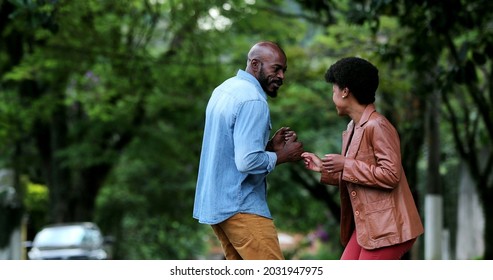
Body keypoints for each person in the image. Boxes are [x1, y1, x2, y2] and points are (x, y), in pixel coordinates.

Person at [301, 57, 424, 260]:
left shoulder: (378, 125)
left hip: (389, 228)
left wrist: (345, 164)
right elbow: (360, 176)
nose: (333, 97)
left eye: (333, 91)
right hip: (369, 226)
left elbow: (390, 175)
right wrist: (324, 168)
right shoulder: (352, 128)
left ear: (345, 91)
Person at [193, 41, 304, 260]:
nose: (281, 76)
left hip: (218, 207)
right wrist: (282, 156)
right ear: (255, 64)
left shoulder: (224, 89)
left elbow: (233, 152)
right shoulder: (253, 100)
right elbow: (246, 162)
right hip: (242, 207)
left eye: (284, 70)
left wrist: (269, 148)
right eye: (276, 69)